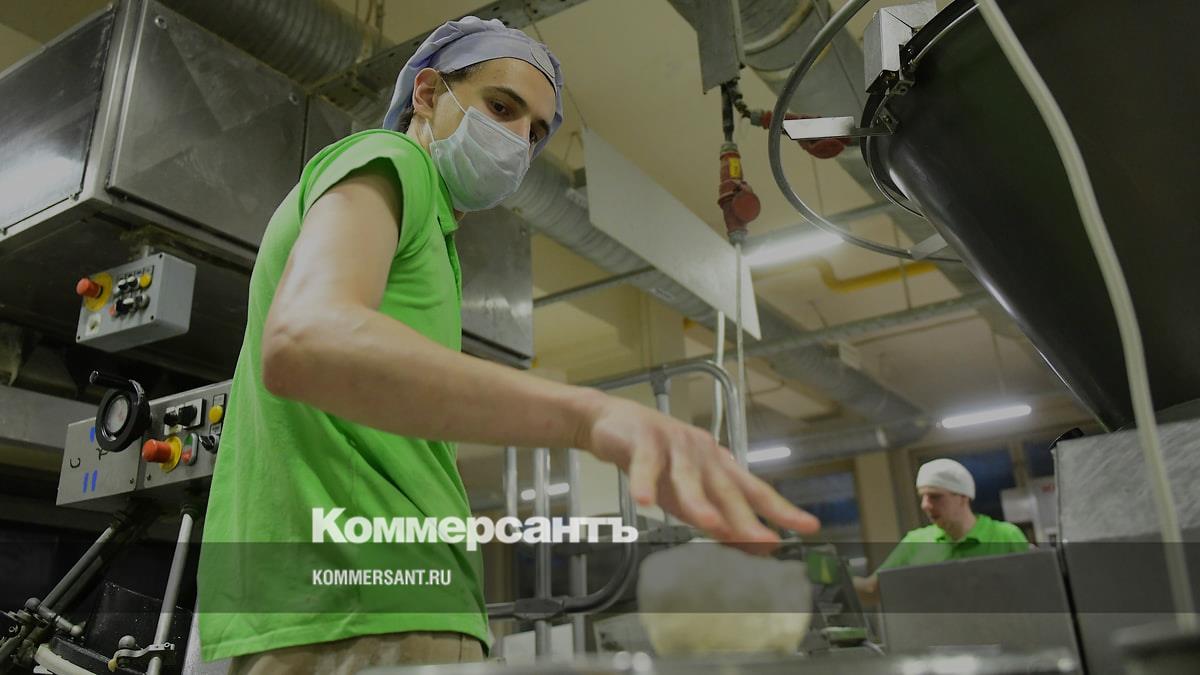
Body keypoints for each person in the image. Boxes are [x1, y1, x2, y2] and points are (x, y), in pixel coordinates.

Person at [196, 16, 819, 674]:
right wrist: (590, 416)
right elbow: (306, 339)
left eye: (537, 131)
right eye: (501, 107)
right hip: (366, 602)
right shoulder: (392, 162)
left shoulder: (433, 237)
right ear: (427, 94)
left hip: (353, 598)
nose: (519, 140)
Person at [853, 458, 1029, 604]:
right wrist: (838, 577)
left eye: (935, 497)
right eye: (923, 497)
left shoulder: (1005, 535)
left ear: (963, 497)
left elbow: (1033, 589)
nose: (925, 505)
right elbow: (872, 590)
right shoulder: (916, 542)